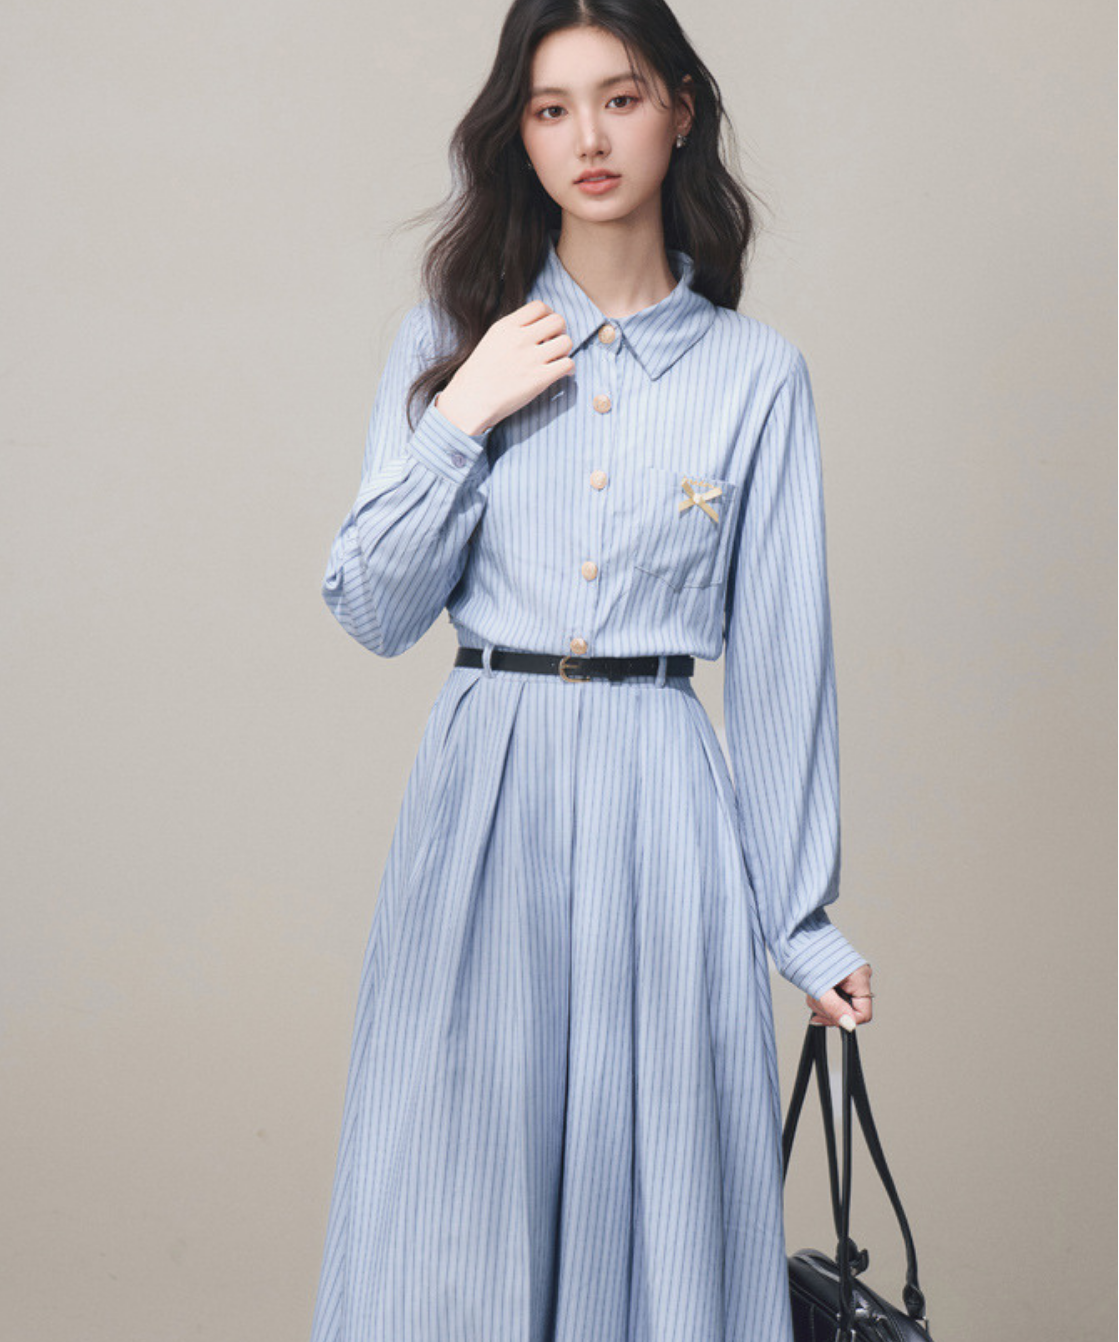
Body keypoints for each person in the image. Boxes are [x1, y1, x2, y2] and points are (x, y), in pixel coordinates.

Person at [310, 3, 875, 1339]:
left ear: (679, 108)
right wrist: (462, 412)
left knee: (660, 1184)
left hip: (663, 805)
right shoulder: (453, 337)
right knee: (455, 1190)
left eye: (618, 99)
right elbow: (372, 608)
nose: (589, 139)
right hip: (484, 800)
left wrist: (800, 922)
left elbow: (784, 662)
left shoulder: (755, 376)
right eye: (551, 109)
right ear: (519, 135)